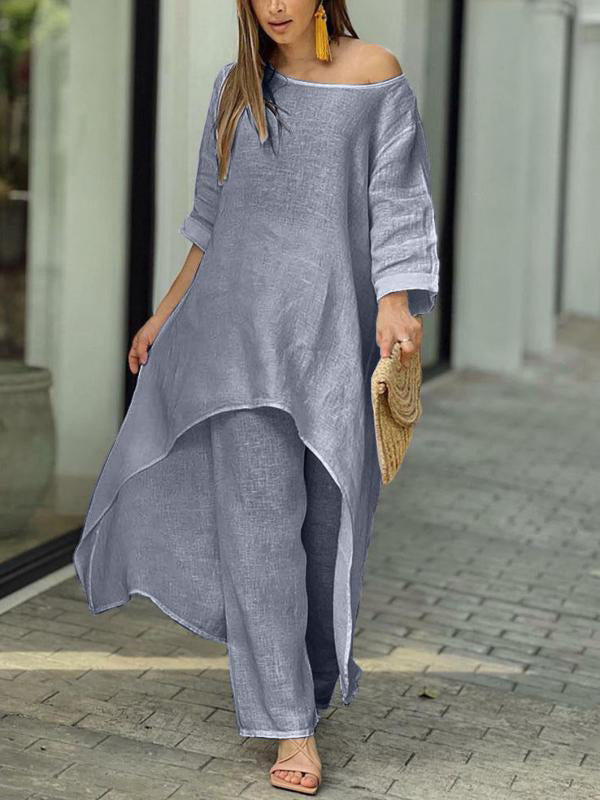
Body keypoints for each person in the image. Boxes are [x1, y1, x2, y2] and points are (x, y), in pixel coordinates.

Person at [73, 0, 440, 794]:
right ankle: (289, 726)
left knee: (328, 530)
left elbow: (397, 200)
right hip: (233, 343)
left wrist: (395, 300)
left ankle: (307, 683)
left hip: (331, 340)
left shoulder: (375, 75)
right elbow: (212, 223)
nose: (275, 5)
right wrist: (165, 315)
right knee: (259, 533)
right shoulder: (237, 88)